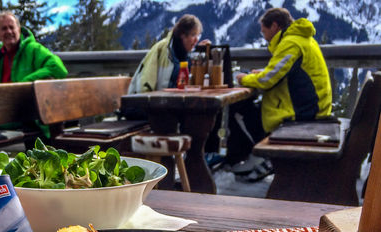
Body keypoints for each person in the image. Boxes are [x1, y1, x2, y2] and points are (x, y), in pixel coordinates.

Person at [228, 8, 332, 169]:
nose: (263, 36)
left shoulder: (290, 43)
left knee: (243, 111)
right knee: (252, 111)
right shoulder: (300, 39)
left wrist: (243, 78)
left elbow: (267, 80)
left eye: (264, 32)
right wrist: (263, 73)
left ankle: (264, 159)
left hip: (305, 111)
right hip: (312, 106)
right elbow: (283, 72)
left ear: (275, 26)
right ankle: (260, 158)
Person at [128, 14, 210, 94]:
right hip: (157, 102)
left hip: (175, 100)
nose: (196, 40)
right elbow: (145, 80)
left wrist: (200, 53)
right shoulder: (163, 49)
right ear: (182, 35)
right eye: (193, 35)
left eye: (198, 36)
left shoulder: (185, 53)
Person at [0, 11, 68, 83]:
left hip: (28, 101)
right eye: (4, 28)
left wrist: (26, 83)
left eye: (12, 27)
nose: (9, 31)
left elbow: (58, 68)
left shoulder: (33, 49)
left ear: (19, 30)